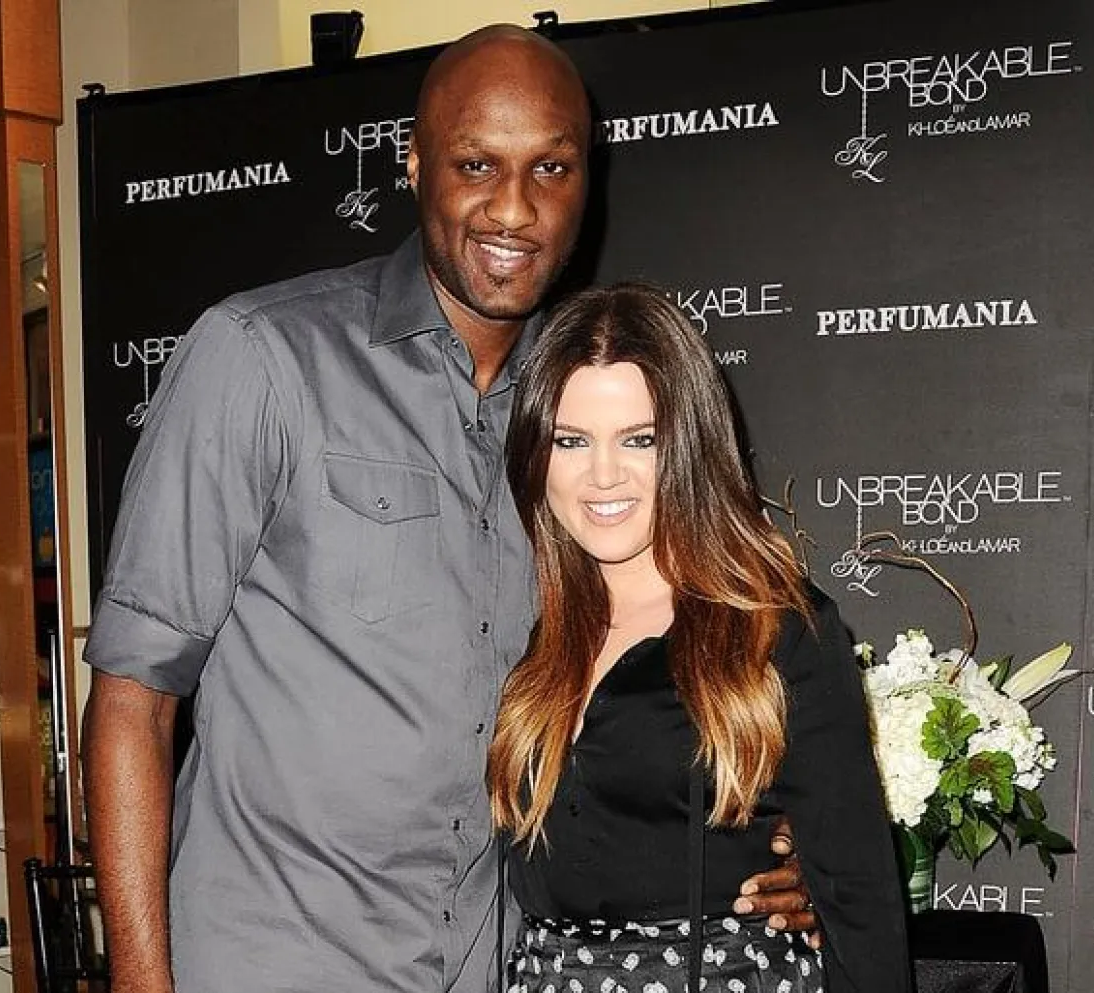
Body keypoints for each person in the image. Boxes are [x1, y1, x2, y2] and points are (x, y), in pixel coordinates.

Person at [81, 25, 815, 993]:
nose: (513, 207)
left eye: (550, 168)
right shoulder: (261, 358)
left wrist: (785, 842)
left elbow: (675, 662)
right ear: (414, 162)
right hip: (279, 960)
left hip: (496, 964)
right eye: (476, 164)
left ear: (587, 182)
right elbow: (133, 701)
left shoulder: (584, 414)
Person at [490, 284, 911, 993]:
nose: (602, 475)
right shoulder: (532, 632)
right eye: (571, 439)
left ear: (689, 446)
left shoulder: (776, 628)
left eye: (640, 439)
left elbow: (859, 898)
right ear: (536, 452)